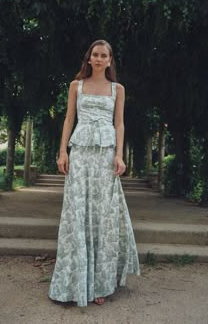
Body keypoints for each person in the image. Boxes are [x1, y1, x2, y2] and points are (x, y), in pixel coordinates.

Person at [48, 39, 140, 307]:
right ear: (89, 58)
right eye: (95, 55)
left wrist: (119, 155)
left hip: (105, 155)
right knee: (77, 214)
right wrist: (63, 152)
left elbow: (119, 123)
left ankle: (100, 282)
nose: (99, 59)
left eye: (104, 55)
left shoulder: (117, 89)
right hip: (81, 154)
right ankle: (74, 281)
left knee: (103, 216)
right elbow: (68, 119)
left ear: (110, 61)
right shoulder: (76, 86)